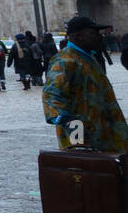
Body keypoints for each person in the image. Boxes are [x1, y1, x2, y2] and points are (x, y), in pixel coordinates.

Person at [42, 16, 127, 152]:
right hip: (87, 145)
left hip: (108, 140)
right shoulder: (65, 61)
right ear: (78, 36)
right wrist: (77, 138)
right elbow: (52, 97)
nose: (99, 37)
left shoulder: (88, 58)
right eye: (94, 33)